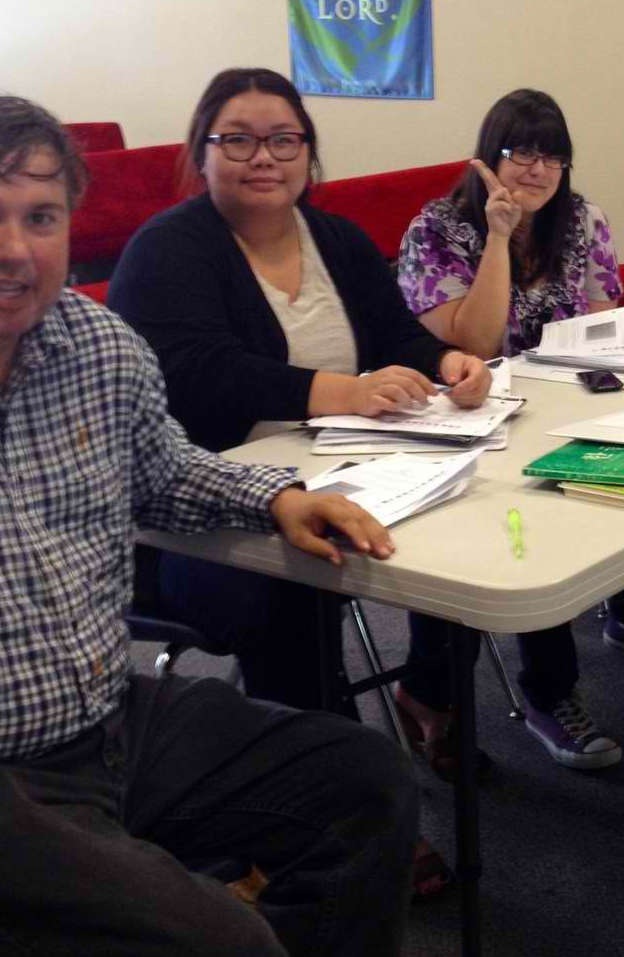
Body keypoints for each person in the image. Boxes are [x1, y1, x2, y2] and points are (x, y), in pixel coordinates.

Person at [0, 93, 418, 957]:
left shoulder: (97, 349)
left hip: (110, 715)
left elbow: (166, 467)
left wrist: (276, 495)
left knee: (366, 783)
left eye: (41, 217)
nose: (15, 248)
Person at [108, 66, 490, 898]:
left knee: (472, 522)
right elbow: (193, 374)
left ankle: (427, 694)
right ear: (202, 152)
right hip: (198, 515)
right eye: (238, 140)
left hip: (345, 468)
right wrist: (340, 392)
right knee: (293, 585)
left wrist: (448, 361)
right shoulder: (168, 249)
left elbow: (396, 336)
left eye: (284, 139)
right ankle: (331, 809)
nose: (264, 157)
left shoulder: (337, 239)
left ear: (308, 152)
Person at [396, 87, 624, 771]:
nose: (538, 171)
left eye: (554, 157)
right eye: (522, 154)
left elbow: (605, 323)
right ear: (490, 156)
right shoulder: (436, 230)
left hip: (565, 400)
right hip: (474, 416)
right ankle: (549, 694)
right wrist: (499, 237)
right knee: (537, 533)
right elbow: (475, 343)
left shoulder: (581, 220)